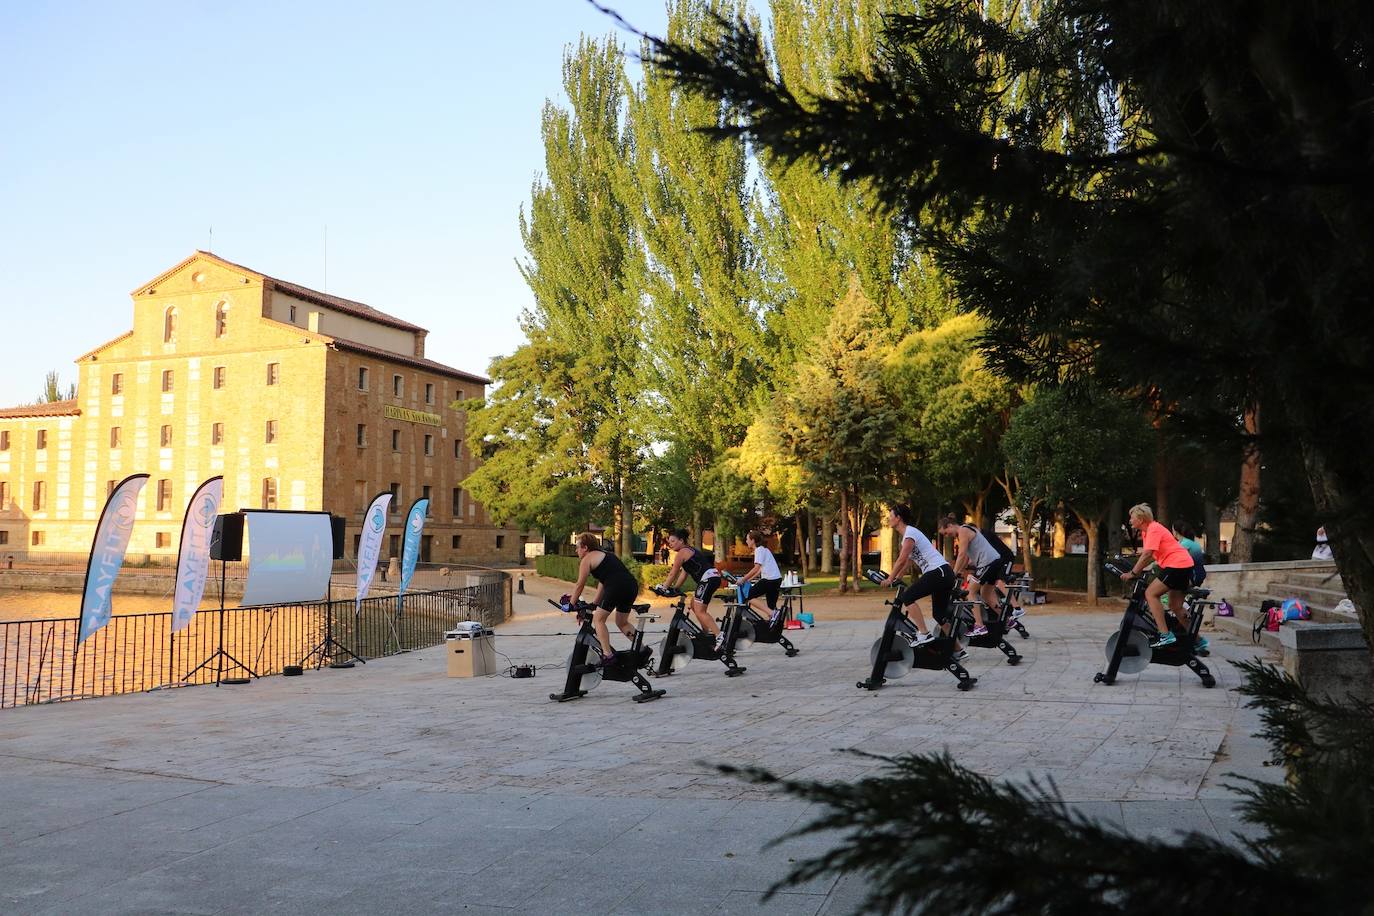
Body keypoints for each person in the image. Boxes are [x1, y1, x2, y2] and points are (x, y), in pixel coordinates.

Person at [1120, 504, 1202, 649]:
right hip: (1183, 564)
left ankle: (1165, 635)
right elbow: (1151, 555)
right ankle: (1198, 641)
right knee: (1175, 606)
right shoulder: (1148, 531)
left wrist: (1133, 573)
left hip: (1177, 565)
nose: (1130, 521)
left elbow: (1147, 554)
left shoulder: (1153, 529)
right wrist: (1140, 568)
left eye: (1132, 518)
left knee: (1150, 594)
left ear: (1141, 518)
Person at [880, 504, 956, 648]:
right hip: (944, 573)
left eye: (891, 516)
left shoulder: (909, 533)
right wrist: (899, 576)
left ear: (898, 518)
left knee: (907, 597)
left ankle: (924, 633)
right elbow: (909, 560)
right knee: (939, 615)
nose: (889, 519)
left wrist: (890, 578)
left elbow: (902, 558)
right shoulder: (910, 534)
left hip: (938, 572)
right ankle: (958, 649)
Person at [568, 532, 642, 664]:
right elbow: (603, 581)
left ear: (585, 548)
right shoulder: (606, 555)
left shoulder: (587, 559)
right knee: (622, 622)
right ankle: (641, 650)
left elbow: (580, 584)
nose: (576, 550)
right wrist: (595, 603)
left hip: (616, 587)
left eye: (577, 547)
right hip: (631, 586)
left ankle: (608, 655)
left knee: (599, 620)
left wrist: (571, 604)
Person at [936, 515, 1003, 635]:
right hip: (994, 561)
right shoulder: (965, 531)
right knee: (985, 594)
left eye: (946, 532)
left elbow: (961, 554)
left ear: (950, 525)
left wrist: (953, 574)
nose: (947, 536)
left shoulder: (962, 531)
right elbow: (966, 557)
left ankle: (979, 626)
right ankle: (1006, 619)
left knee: (970, 592)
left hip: (987, 562)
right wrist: (961, 570)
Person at [662, 528, 726, 651]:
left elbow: (673, 573)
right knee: (694, 605)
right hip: (711, 578)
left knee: (700, 610)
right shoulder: (689, 551)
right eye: (669, 542)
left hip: (708, 578)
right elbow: (683, 574)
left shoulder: (682, 553)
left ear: (681, 541)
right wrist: (675, 588)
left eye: (673, 541)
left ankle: (719, 636)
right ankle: (706, 635)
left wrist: (664, 587)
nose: (670, 544)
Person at [736, 530, 784, 620]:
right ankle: (775, 622)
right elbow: (759, 570)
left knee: (749, 596)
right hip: (776, 580)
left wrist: (743, 579)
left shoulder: (759, 550)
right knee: (771, 605)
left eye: (747, 539)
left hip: (769, 580)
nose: (746, 541)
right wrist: (748, 580)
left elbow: (756, 568)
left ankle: (773, 613)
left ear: (753, 540)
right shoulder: (763, 549)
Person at [1171, 521, 1208, 586]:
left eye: (1172, 530)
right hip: (1198, 574)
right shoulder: (1189, 542)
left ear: (1176, 532)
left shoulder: (1185, 544)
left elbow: (1173, 557)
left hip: (1193, 575)